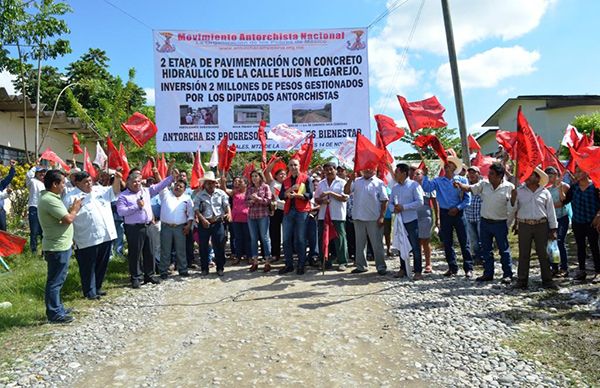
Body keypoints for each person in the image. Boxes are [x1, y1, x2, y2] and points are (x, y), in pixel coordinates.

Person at [64, 170, 121, 299]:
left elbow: (115, 192)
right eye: (85, 182)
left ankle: (98, 287)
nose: (89, 184)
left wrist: (117, 179)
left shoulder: (99, 190)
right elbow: (67, 218)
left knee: (102, 263)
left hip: (105, 235)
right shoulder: (70, 197)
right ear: (77, 183)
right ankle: (89, 292)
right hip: (86, 238)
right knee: (88, 267)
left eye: (90, 180)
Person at [455, 162, 514, 283]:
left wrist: (510, 222)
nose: (489, 176)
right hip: (485, 222)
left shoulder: (510, 187)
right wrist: (460, 185)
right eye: (489, 173)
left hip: (500, 223)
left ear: (500, 175)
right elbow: (470, 189)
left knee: (504, 250)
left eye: (492, 174)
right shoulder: (484, 184)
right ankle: (488, 273)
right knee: (486, 250)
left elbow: (513, 206)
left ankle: (507, 274)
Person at [38, 170, 81, 323]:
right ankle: (54, 313)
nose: (64, 186)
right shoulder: (50, 200)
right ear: (55, 184)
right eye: (62, 183)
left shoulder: (52, 198)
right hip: (57, 246)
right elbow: (68, 219)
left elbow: (62, 219)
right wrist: (75, 208)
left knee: (58, 279)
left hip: (61, 244)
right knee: (55, 281)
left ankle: (58, 307)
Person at [117, 170, 173, 288]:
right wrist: (137, 206)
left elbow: (159, 186)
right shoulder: (123, 196)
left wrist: (171, 177)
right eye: (134, 182)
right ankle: (136, 277)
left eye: (138, 181)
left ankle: (149, 275)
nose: (137, 184)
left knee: (150, 251)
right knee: (135, 253)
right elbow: (121, 211)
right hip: (134, 228)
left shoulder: (146, 191)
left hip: (147, 225)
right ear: (128, 182)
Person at [421, 156, 474, 278]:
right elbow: (426, 187)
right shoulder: (438, 181)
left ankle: (468, 268)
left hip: (459, 213)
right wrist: (425, 175)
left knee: (464, 241)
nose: (447, 165)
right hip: (445, 213)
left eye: (450, 164)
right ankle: (452, 267)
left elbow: (467, 200)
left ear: (455, 167)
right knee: (447, 242)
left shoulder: (462, 180)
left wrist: (458, 208)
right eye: (445, 164)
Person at [511, 167, 558, 290]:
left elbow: (551, 212)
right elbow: (512, 209)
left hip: (541, 225)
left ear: (537, 178)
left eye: (530, 175)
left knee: (543, 254)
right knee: (524, 254)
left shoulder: (545, 192)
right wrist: (513, 198)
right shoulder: (519, 191)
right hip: (524, 224)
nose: (527, 176)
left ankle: (547, 280)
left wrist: (553, 229)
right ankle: (522, 281)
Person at [343, 168, 389, 275]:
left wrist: (382, 216)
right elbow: (346, 191)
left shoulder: (379, 183)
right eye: (366, 168)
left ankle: (381, 266)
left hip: (374, 218)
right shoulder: (357, 181)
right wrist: (350, 179)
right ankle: (361, 266)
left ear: (375, 169)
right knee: (360, 244)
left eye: (371, 168)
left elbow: (384, 200)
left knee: (377, 244)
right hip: (358, 218)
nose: (368, 170)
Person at [561, 166, 600, 281]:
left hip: (592, 222)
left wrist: (598, 216)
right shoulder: (574, 188)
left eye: (579, 172)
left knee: (594, 247)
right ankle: (581, 270)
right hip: (578, 221)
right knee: (580, 247)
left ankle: (598, 271)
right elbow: (565, 201)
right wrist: (560, 188)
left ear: (587, 172)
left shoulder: (596, 187)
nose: (576, 174)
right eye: (575, 172)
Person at [278, 158, 314, 275]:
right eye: (291, 165)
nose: (293, 167)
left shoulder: (306, 178)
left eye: (295, 165)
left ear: (299, 166)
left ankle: (301, 265)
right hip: (288, 211)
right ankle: (289, 265)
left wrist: (299, 196)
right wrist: (289, 190)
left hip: (302, 211)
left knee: (300, 239)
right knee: (286, 239)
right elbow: (281, 196)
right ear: (288, 167)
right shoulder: (286, 180)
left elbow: (310, 194)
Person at [389, 163, 424, 280]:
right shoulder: (395, 188)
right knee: (401, 244)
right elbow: (390, 203)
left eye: (397, 172)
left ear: (404, 173)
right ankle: (403, 268)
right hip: (399, 221)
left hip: (411, 220)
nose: (395, 175)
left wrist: (404, 207)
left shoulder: (414, 185)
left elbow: (420, 202)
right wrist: (393, 208)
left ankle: (418, 270)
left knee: (415, 246)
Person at [194, 171, 231, 276]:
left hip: (218, 222)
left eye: (212, 183)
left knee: (219, 245)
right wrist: (202, 219)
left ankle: (220, 267)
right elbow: (196, 209)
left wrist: (228, 213)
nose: (210, 185)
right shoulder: (199, 195)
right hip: (204, 223)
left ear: (215, 183)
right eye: (208, 183)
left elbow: (226, 205)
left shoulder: (221, 193)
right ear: (204, 184)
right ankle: (204, 268)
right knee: (203, 246)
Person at [315, 162, 349, 271]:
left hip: (338, 215)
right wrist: (323, 200)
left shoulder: (343, 182)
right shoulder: (321, 183)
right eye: (326, 170)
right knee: (323, 239)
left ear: (335, 170)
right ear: (323, 171)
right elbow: (316, 199)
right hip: (323, 215)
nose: (329, 172)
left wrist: (330, 193)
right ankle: (325, 261)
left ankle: (342, 262)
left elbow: (345, 198)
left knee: (340, 239)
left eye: (331, 169)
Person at [158, 175, 194, 279]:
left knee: (181, 249)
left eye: (180, 186)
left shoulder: (187, 198)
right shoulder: (166, 194)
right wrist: (157, 173)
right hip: (166, 227)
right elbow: (161, 183)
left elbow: (191, 213)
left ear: (184, 189)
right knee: (165, 250)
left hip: (180, 228)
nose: (178, 187)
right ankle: (163, 271)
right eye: (176, 185)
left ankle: (183, 269)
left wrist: (188, 225)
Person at [544, 166, 570, 277]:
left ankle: (564, 267)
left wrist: (559, 188)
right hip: (550, 219)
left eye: (552, 175)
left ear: (557, 175)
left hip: (562, 217)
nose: (550, 177)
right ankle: (554, 267)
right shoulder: (546, 189)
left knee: (559, 241)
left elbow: (562, 202)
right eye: (548, 176)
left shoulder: (564, 186)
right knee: (551, 243)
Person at [245, 170, 273, 272]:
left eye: (256, 176)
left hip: (263, 215)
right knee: (253, 239)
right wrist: (251, 202)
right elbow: (245, 202)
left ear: (260, 177)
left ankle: (267, 262)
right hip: (251, 216)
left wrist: (257, 198)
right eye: (252, 176)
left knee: (265, 238)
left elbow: (268, 200)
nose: (254, 178)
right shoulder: (249, 188)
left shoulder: (265, 187)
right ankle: (255, 261)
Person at [221, 175, 250, 265]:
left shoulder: (249, 192)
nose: (238, 184)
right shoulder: (235, 192)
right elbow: (225, 190)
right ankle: (238, 256)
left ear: (246, 184)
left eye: (241, 182)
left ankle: (249, 256)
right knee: (238, 238)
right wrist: (223, 181)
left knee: (248, 238)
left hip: (247, 219)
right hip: (236, 219)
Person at [414, 168, 438, 273]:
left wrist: (438, 218)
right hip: (414, 216)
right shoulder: (411, 187)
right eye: (414, 174)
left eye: (418, 174)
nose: (416, 176)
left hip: (425, 216)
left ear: (423, 175)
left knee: (425, 240)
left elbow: (435, 202)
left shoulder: (429, 187)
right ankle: (417, 263)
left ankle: (428, 263)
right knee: (416, 242)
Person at [464, 166, 483, 266]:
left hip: (480, 216)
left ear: (478, 174)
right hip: (469, 215)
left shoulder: (483, 184)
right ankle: (477, 257)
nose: (471, 175)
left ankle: (484, 257)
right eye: (470, 173)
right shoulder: (465, 184)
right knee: (473, 239)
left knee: (482, 238)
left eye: (474, 172)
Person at [26, 165, 47, 252]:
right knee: (34, 231)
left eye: (43, 172)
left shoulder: (45, 184)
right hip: (34, 207)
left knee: (44, 232)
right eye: (40, 172)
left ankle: (44, 251)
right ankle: (33, 251)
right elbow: (28, 175)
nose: (42, 174)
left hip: (43, 209)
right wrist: (35, 166)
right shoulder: (32, 181)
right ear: (36, 173)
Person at [0, 160, 16, 231]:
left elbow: (9, 177)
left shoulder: (1, 184)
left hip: (1, 211)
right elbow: (1, 196)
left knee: (3, 231)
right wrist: (7, 193)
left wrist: (12, 167)